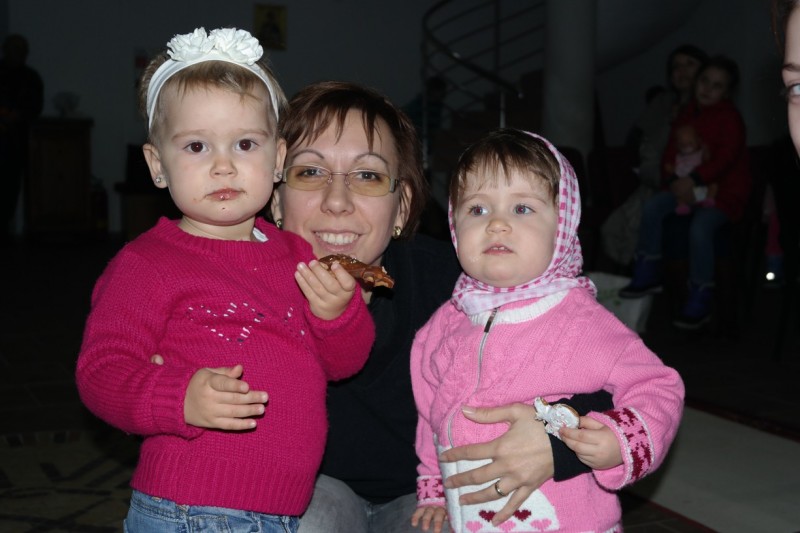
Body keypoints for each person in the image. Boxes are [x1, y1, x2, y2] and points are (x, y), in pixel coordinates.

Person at [268, 81, 613, 533]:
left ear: (402, 206)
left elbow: (615, 384)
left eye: (368, 176)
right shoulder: (240, 289)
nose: (337, 201)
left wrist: (556, 441)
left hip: (439, 493)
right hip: (311, 489)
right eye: (310, 172)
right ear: (276, 198)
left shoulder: (464, 285)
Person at [75, 28, 374, 533]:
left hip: (282, 509)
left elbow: (344, 365)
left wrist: (336, 315)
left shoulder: (296, 255)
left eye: (245, 144)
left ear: (278, 159)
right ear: (157, 166)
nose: (223, 165)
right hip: (189, 506)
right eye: (196, 146)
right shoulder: (148, 263)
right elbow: (100, 372)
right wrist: (177, 397)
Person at [409, 129, 684, 533]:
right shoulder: (443, 326)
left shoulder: (582, 321)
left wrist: (618, 439)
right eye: (477, 209)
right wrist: (434, 487)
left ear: (562, 225)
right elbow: (430, 415)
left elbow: (658, 386)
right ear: (454, 225)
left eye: (522, 208)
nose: (496, 224)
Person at [620, 55, 751, 330]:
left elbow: (726, 158)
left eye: (717, 85)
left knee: (700, 228)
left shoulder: (730, 118)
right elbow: (671, 151)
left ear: (727, 92)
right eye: (704, 81)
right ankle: (648, 269)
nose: (707, 89)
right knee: (653, 206)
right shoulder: (686, 113)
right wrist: (673, 179)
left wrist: (693, 179)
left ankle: (701, 294)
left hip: (720, 193)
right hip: (685, 187)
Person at [600, 45, 706, 268]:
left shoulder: (710, 106)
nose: (682, 71)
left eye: (689, 64)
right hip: (656, 180)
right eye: (676, 66)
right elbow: (637, 141)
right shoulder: (663, 102)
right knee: (616, 229)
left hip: (697, 186)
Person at [0, 33, 43, 243]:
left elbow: (34, 106)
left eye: (19, 50)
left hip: (17, 143)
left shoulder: (31, 78)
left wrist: (16, 116)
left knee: (11, 187)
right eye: (12, 49)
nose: (15, 54)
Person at [665, 124, 716, 214]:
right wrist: (670, 169)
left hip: (699, 186)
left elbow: (707, 161)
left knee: (714, 185)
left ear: (698, 141)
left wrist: (706, 151)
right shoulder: (679, 156)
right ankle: (682, 205)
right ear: (677, 145)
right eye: (682, 144)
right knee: (675, 189)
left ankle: (708, 199)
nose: (687, 147)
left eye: (690, 143)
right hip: (685, 188)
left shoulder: (699, 153)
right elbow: (674, 169)